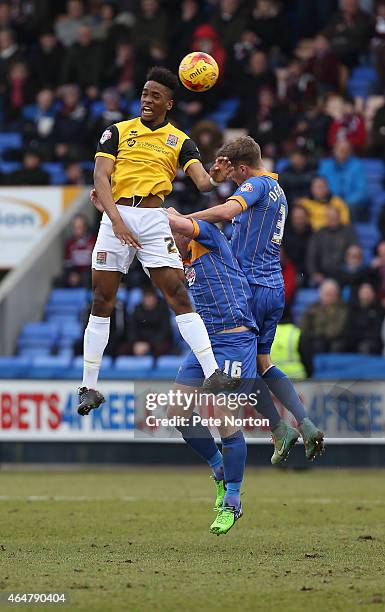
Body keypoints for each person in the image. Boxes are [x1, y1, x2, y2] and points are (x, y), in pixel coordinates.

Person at [77, 66, 238, 416]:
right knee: (102, 299)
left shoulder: (180, 140)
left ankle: (213, 373)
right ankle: (89, 387)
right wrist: (116, 220)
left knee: (178, 294)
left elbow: (203, 183)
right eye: (144, 94)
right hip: (116, 214)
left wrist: (216, 176)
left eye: (155, 96)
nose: (147, 100)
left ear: (169, 102)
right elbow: (100, 176)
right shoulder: (116, 132)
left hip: (153, 219)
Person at [173, 136, 324, 461]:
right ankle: (306, 423)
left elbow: (229, 210)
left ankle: (278, 430)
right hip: (274, 287)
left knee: (242, 370)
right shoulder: (278, 190)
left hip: (250, 287)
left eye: (235, 175)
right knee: (263, 362)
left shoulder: (255, 185)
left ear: (244, 168)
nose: (235, 182)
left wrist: (188, 220)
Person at [166, 212, 299, 535]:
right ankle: (218, 469)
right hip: (205, 342)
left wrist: (156, 213)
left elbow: (181, 223)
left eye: (171, 230)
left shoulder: (207, 237)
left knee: (225, 414)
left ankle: (233, 500)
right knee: (177, 412)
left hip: (235, 339)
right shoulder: (179, 259)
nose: (169, 238)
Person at [299, 279, 348, 376]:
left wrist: (320, 332)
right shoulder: (312, 308)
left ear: (337, 295)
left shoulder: (342, 308)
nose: (329, 297)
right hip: (316, 339)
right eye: (326, 294)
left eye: (331, 294)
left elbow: (337, 329)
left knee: (337, 346)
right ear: (321, 294)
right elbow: (303, 327)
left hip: (336, 340)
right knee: (312, 344)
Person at [318, 139, 368, 221]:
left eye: (345, 149)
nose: (341, 151)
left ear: (350, 152)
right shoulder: (325, 165)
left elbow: (362, 192)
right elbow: (319, 185)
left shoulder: (358, 166)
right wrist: (331, 201)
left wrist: (343, 204)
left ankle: (347, 232)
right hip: (329, 201)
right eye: (339, 149)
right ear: (334, 150)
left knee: (349, 209)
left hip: (349, 203)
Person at [306, 205, 357, 285]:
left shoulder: (349, 232)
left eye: (334, 217)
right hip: (323, 274)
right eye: (329, 217)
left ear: (339, 217)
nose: (332, 220)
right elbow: (311, 256)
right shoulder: (319, 234)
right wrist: (314, 273)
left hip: (344, 272)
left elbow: (355, 251)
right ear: (326, 218)